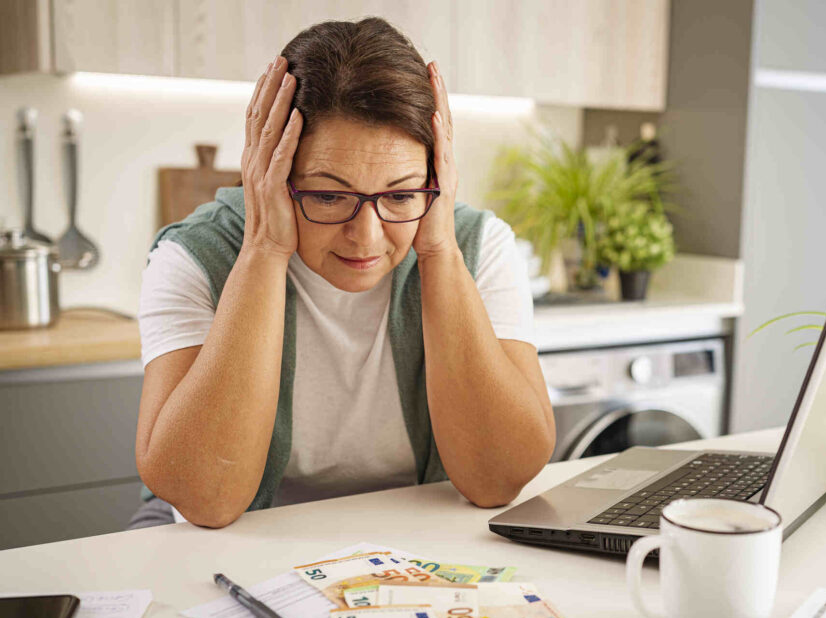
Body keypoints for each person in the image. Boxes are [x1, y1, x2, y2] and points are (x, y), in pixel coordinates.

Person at [129, 18, 555, 529]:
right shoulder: (194, 255)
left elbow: (498, 481)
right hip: (233, 535)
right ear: (272, 177)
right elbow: (205, 499)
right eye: (329, 195)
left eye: (400, 194)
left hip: (415, 530)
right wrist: (265, 247)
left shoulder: (479, 246)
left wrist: (439, 250)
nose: (368, 236)